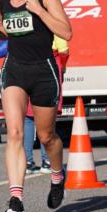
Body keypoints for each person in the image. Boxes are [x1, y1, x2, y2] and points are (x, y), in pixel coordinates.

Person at [0, 0, 72, 212]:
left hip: (43, 71)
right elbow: (12, 33)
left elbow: (66, 31)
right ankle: (16, 200)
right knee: (14, 133)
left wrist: (39, 11)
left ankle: (57, 177)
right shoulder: (3, 0)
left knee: (47, 137)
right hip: (14, 70)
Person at [24, 35, 71, 173]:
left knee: (28, 118)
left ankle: (27, 162)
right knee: (47, 118)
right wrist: (63, 67)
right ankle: (46, 161)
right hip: (50, 64)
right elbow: (63, 50)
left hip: (26, 65)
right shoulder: (53, 25)